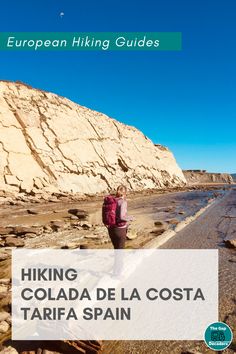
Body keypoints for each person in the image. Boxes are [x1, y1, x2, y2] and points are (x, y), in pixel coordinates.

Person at [107, 185, 133, 249]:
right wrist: (131, 218)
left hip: (111, 228)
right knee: (120, 250)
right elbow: (122, 217)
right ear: (125, 193)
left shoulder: (111, 201)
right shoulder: (123, 202)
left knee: (116, 249)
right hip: (120, 229)